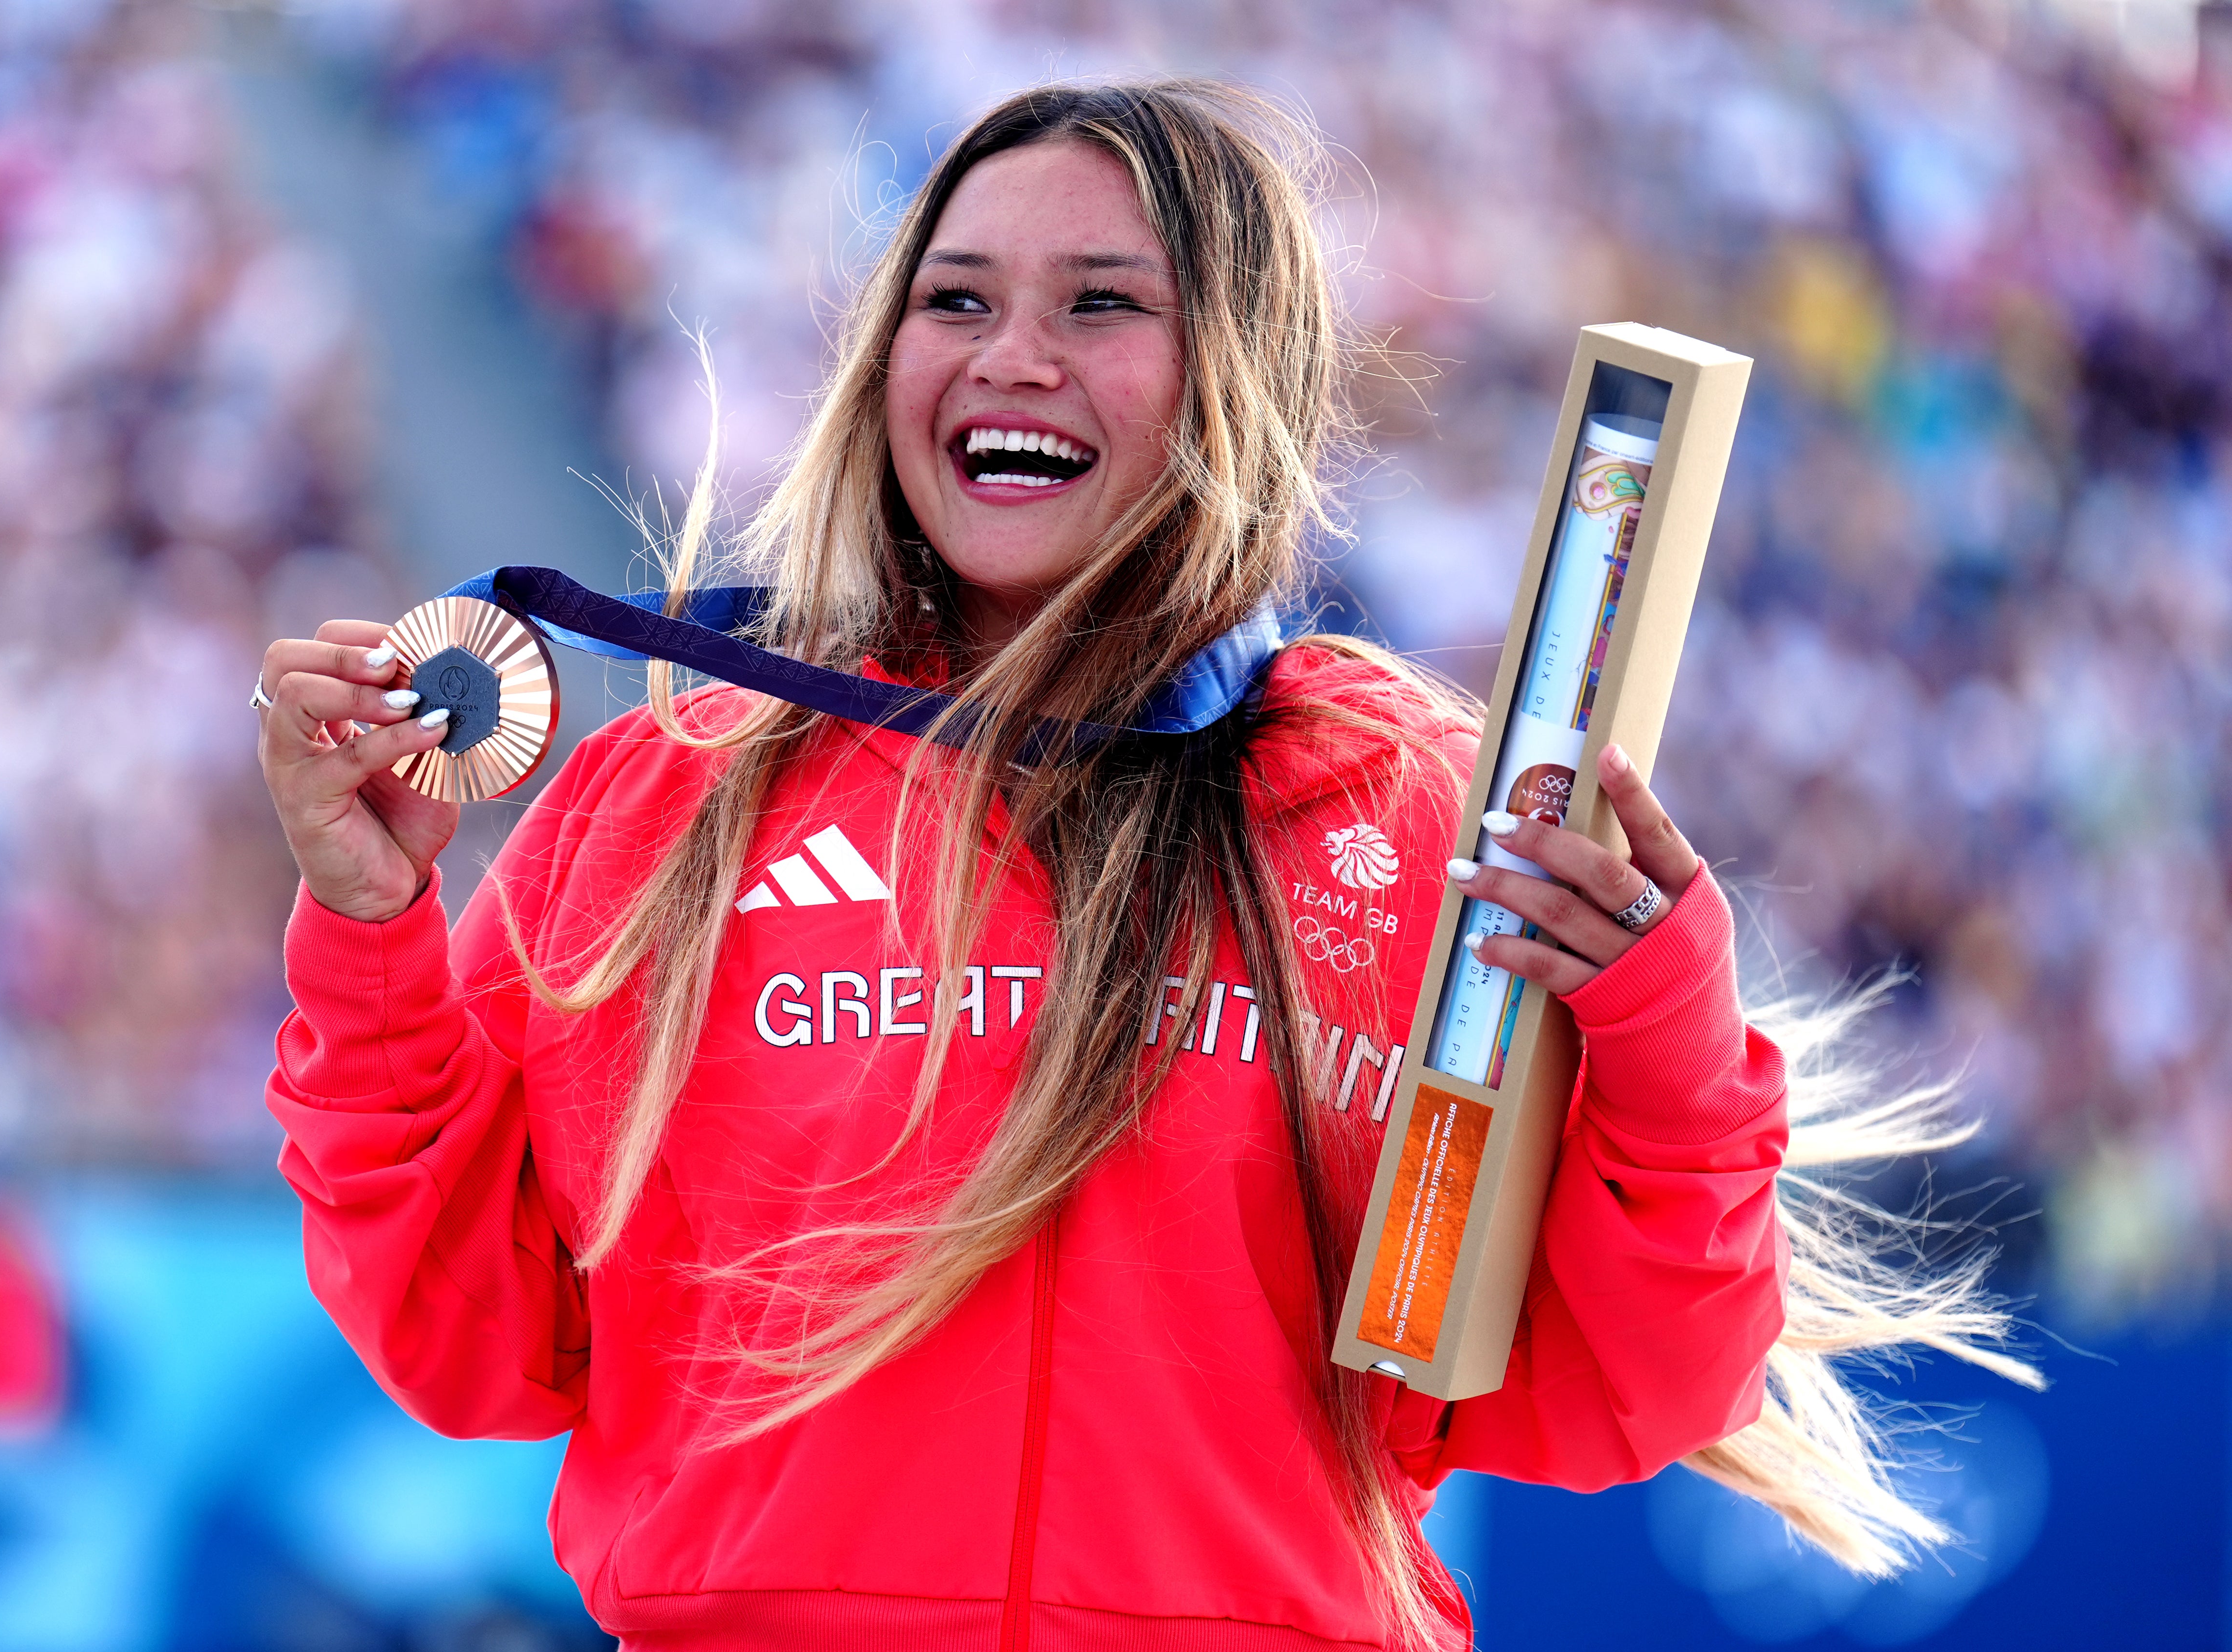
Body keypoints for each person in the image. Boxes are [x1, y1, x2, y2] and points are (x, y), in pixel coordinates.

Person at [255, 79, 2027, 1652]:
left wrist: (1654, 1016)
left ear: (1233, 377)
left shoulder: (1407, 821)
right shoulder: (681, 798)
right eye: (956, 302)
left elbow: (1620, 1389)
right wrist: (368, 924)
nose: (1011, 354)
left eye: (1102, 305)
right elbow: (471, 1345)